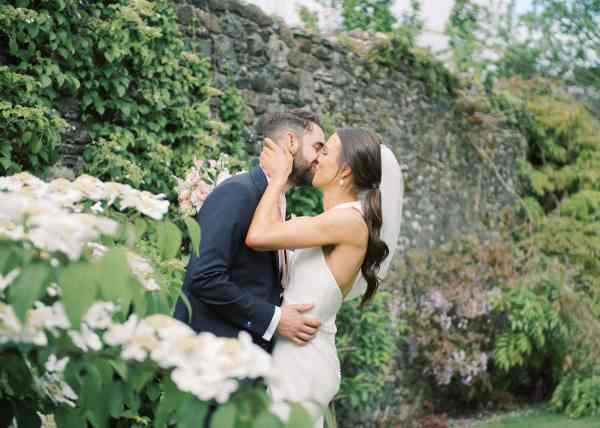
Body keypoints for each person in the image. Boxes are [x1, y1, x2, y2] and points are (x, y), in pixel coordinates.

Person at [246, 128, 404, 427]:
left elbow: (258, 235)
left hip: (302, 362)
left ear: (345, 172)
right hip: (299, 356)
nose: (316, 158)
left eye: (326, 152)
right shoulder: (338, 219)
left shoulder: (347, 220)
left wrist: (280, 178)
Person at [173, 109, 327, 354]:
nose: (322, 157)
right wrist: (275, 319)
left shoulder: (276, 200)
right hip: (208, 359)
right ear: (290, 142)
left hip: (243, 361)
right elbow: (204, 277)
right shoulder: (239, 192)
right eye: (318, 147)